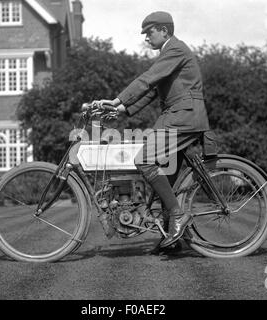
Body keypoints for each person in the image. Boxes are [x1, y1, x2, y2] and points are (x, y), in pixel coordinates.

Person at [95, 11, 210, 253]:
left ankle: (178, 216)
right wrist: (121, 109)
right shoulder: (169, 54)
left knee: (144, 160)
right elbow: (152, 91)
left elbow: (147, 79)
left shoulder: (175, 49)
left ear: (164, 31)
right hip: (178, 115)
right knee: (167, 181)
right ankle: (174, 237)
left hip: (183, 116)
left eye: (149, 32)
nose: (146, 38)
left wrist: (116, 100)